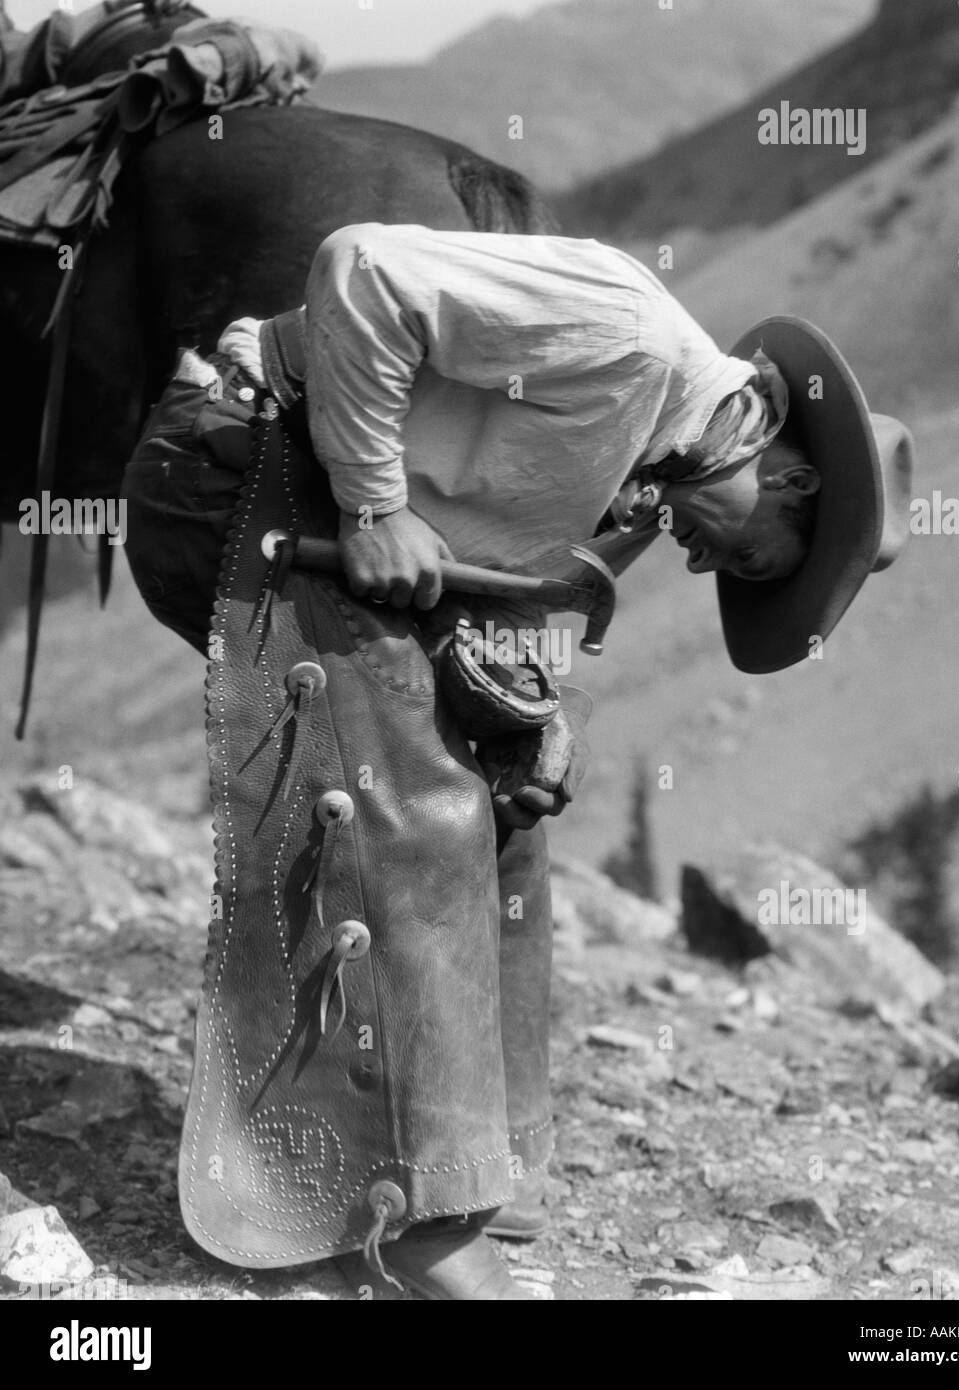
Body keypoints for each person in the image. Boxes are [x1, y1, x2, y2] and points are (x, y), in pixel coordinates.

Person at [122, 223, 911, 1299]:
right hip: (240, 469)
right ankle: (402, 1218)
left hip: (306, 501)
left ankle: (479, 1166)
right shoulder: (629, 336)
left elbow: (507, 577)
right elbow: (362, 268)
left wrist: (533, 716)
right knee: (414, 812)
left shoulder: (648, 462)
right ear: (793, 482)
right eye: (749, 558)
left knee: (507, 811)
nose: (703, 560)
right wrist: (376, 503)